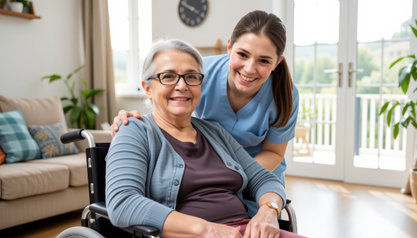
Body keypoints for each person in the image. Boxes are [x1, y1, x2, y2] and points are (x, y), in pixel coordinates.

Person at [106, 39, 331, 238]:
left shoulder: (214, 132)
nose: (182, 85)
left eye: (191, 77)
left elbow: (264, 179)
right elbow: (123, 203)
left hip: (244, 233)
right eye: (168, 77)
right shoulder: (134, 131)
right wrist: (207, 230)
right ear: (147, 88)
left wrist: (268, 211)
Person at [111, 10, 299, 217]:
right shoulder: (199, 74)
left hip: (254, 179)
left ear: (277, 62)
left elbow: (273, 152)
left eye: (263, 61)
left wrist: (231, 178)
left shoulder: (284, 94)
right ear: (229, 48)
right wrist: (135, 122)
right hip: (206, 180)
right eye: (242, 54)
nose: (249, 68)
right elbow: (168, 108)